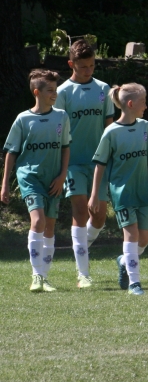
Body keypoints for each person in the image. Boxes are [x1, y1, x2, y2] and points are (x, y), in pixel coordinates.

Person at [91, 84, 148, 295]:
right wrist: (95, 194)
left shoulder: (144, 127)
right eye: (143, 101)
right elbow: (100, 165)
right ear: (131, 104)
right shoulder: (111, 132)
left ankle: (124, 260)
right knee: (131, 236)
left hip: (141, 192)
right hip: (121, 193)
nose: (146, 105)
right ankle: (135, 283)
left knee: (144, 240)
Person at [2, 69, 70, 292]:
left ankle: (44, 277)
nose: (55, 93)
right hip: (29, 176)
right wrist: (4, 184)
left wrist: (62, 176)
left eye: (56, 89)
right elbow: (11, 152)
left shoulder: (61, 116)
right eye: (50, 90)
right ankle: (36, 276)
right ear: (36, 92)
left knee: (50, 227)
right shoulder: (24, 119)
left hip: (53, 179)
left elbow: (65, 148)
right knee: (38, 221)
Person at [54, 39, 114, 288]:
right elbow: (57, 130)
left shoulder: (103, 89)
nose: (88, 71)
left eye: (91, 66)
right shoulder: (62, 92)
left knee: (99, 217)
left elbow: (110, 126)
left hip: (99, 163)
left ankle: (80, 248)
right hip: (74, 163)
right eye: (82, 67)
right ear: (71, 64)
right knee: (80, 211)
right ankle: (83, 274)